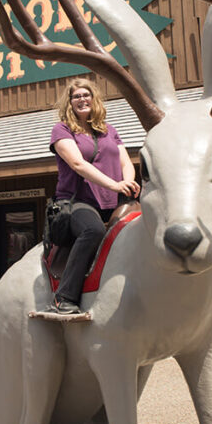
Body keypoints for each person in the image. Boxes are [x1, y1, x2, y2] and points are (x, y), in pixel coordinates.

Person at [47, 78, 140, 315]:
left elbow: (125, 162)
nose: (81, 99)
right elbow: (78, 164)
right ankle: (64, 296)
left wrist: (128, 181)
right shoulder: (62, 130)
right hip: (78, 201)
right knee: (94, 231)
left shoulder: (109, 130)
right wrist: (115, 184)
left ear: (93, 98)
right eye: (76, 96)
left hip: (113, 200)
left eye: (85, 94)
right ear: (70, 102)